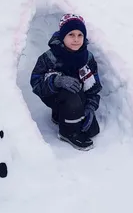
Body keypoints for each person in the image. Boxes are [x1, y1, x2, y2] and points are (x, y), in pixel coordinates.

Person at [30, 13, 102, 151]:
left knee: (92, 130)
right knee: (70, 93)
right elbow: (36, 83)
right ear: (63, 36)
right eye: (71, 35)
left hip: (77, 96)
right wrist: (56, 81)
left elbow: (94, 88)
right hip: (54, 95)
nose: (76, 39)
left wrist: (90, 108)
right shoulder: (49, 57)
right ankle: (68, 133)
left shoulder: (88, 58)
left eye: (80, 35)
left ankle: (62, 115)